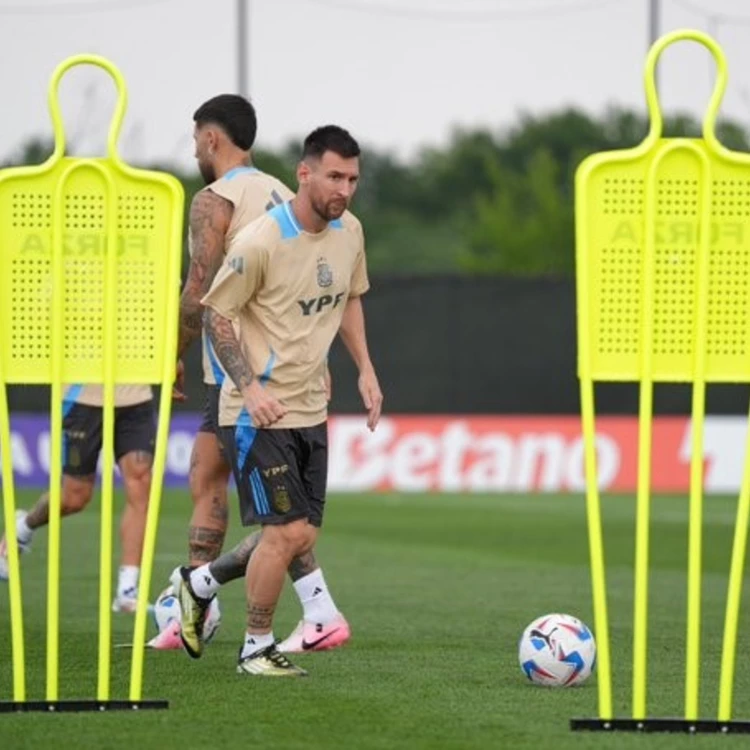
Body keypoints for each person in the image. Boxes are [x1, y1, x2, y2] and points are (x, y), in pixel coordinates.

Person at [171, 125, 383, 676]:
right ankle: (255, 647)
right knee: (284, 533)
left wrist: (365, 369)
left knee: (300, 534)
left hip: (312, 405)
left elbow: (351, 298)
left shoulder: (350, 232)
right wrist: (252, 387)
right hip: (257, 412)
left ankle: (199, 583)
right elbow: (218, 316)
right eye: (335, 176)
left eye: (353, 178)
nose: (345, 189)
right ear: (305, 173)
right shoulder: (261, 240)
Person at [0, 384, 155, 613]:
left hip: (135, 393)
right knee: (75, 497)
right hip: (83, 395)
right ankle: (22, 528)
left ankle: (127, 589)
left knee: (141, 483)